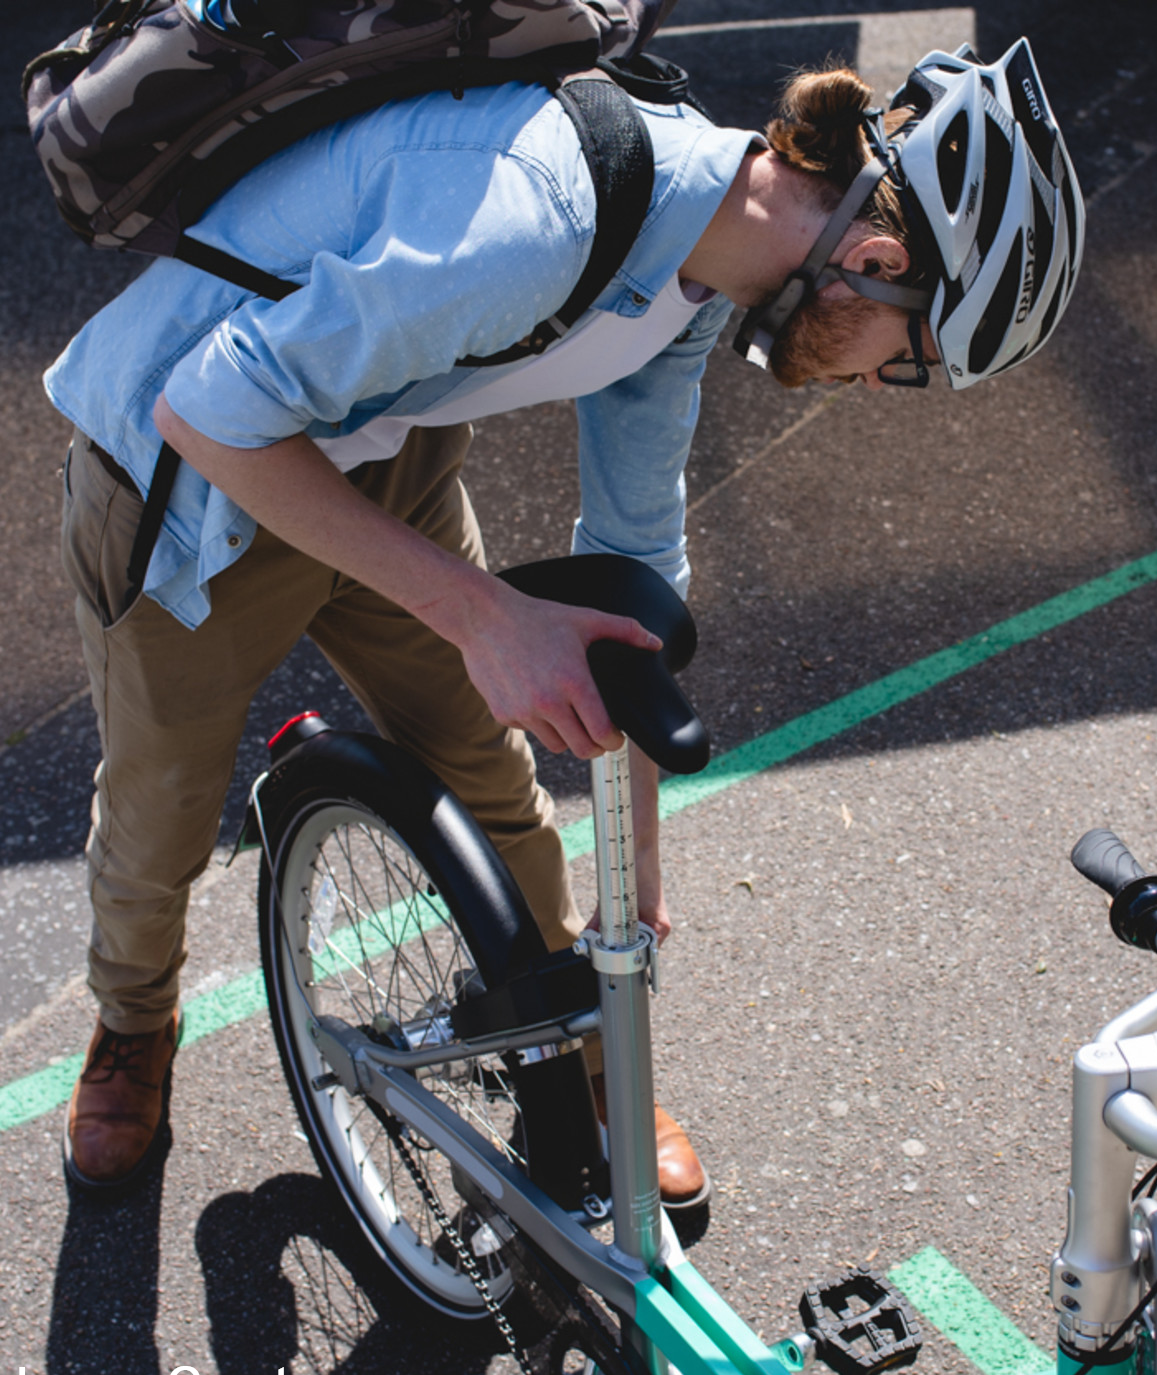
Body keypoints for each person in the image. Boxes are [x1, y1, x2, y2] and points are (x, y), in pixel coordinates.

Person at [45, 38, 1084, 1199]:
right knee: (160, 819)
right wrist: (487, 620)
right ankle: (134, 1024)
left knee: (497, 787)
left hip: (385, 459)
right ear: (874, 259)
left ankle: (585, 1051)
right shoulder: (540, 217)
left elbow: (634, 562)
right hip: (193, 493)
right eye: (909, 359)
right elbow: (210, 408)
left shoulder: (707, 271)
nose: (874, 387)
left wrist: (630, 863)